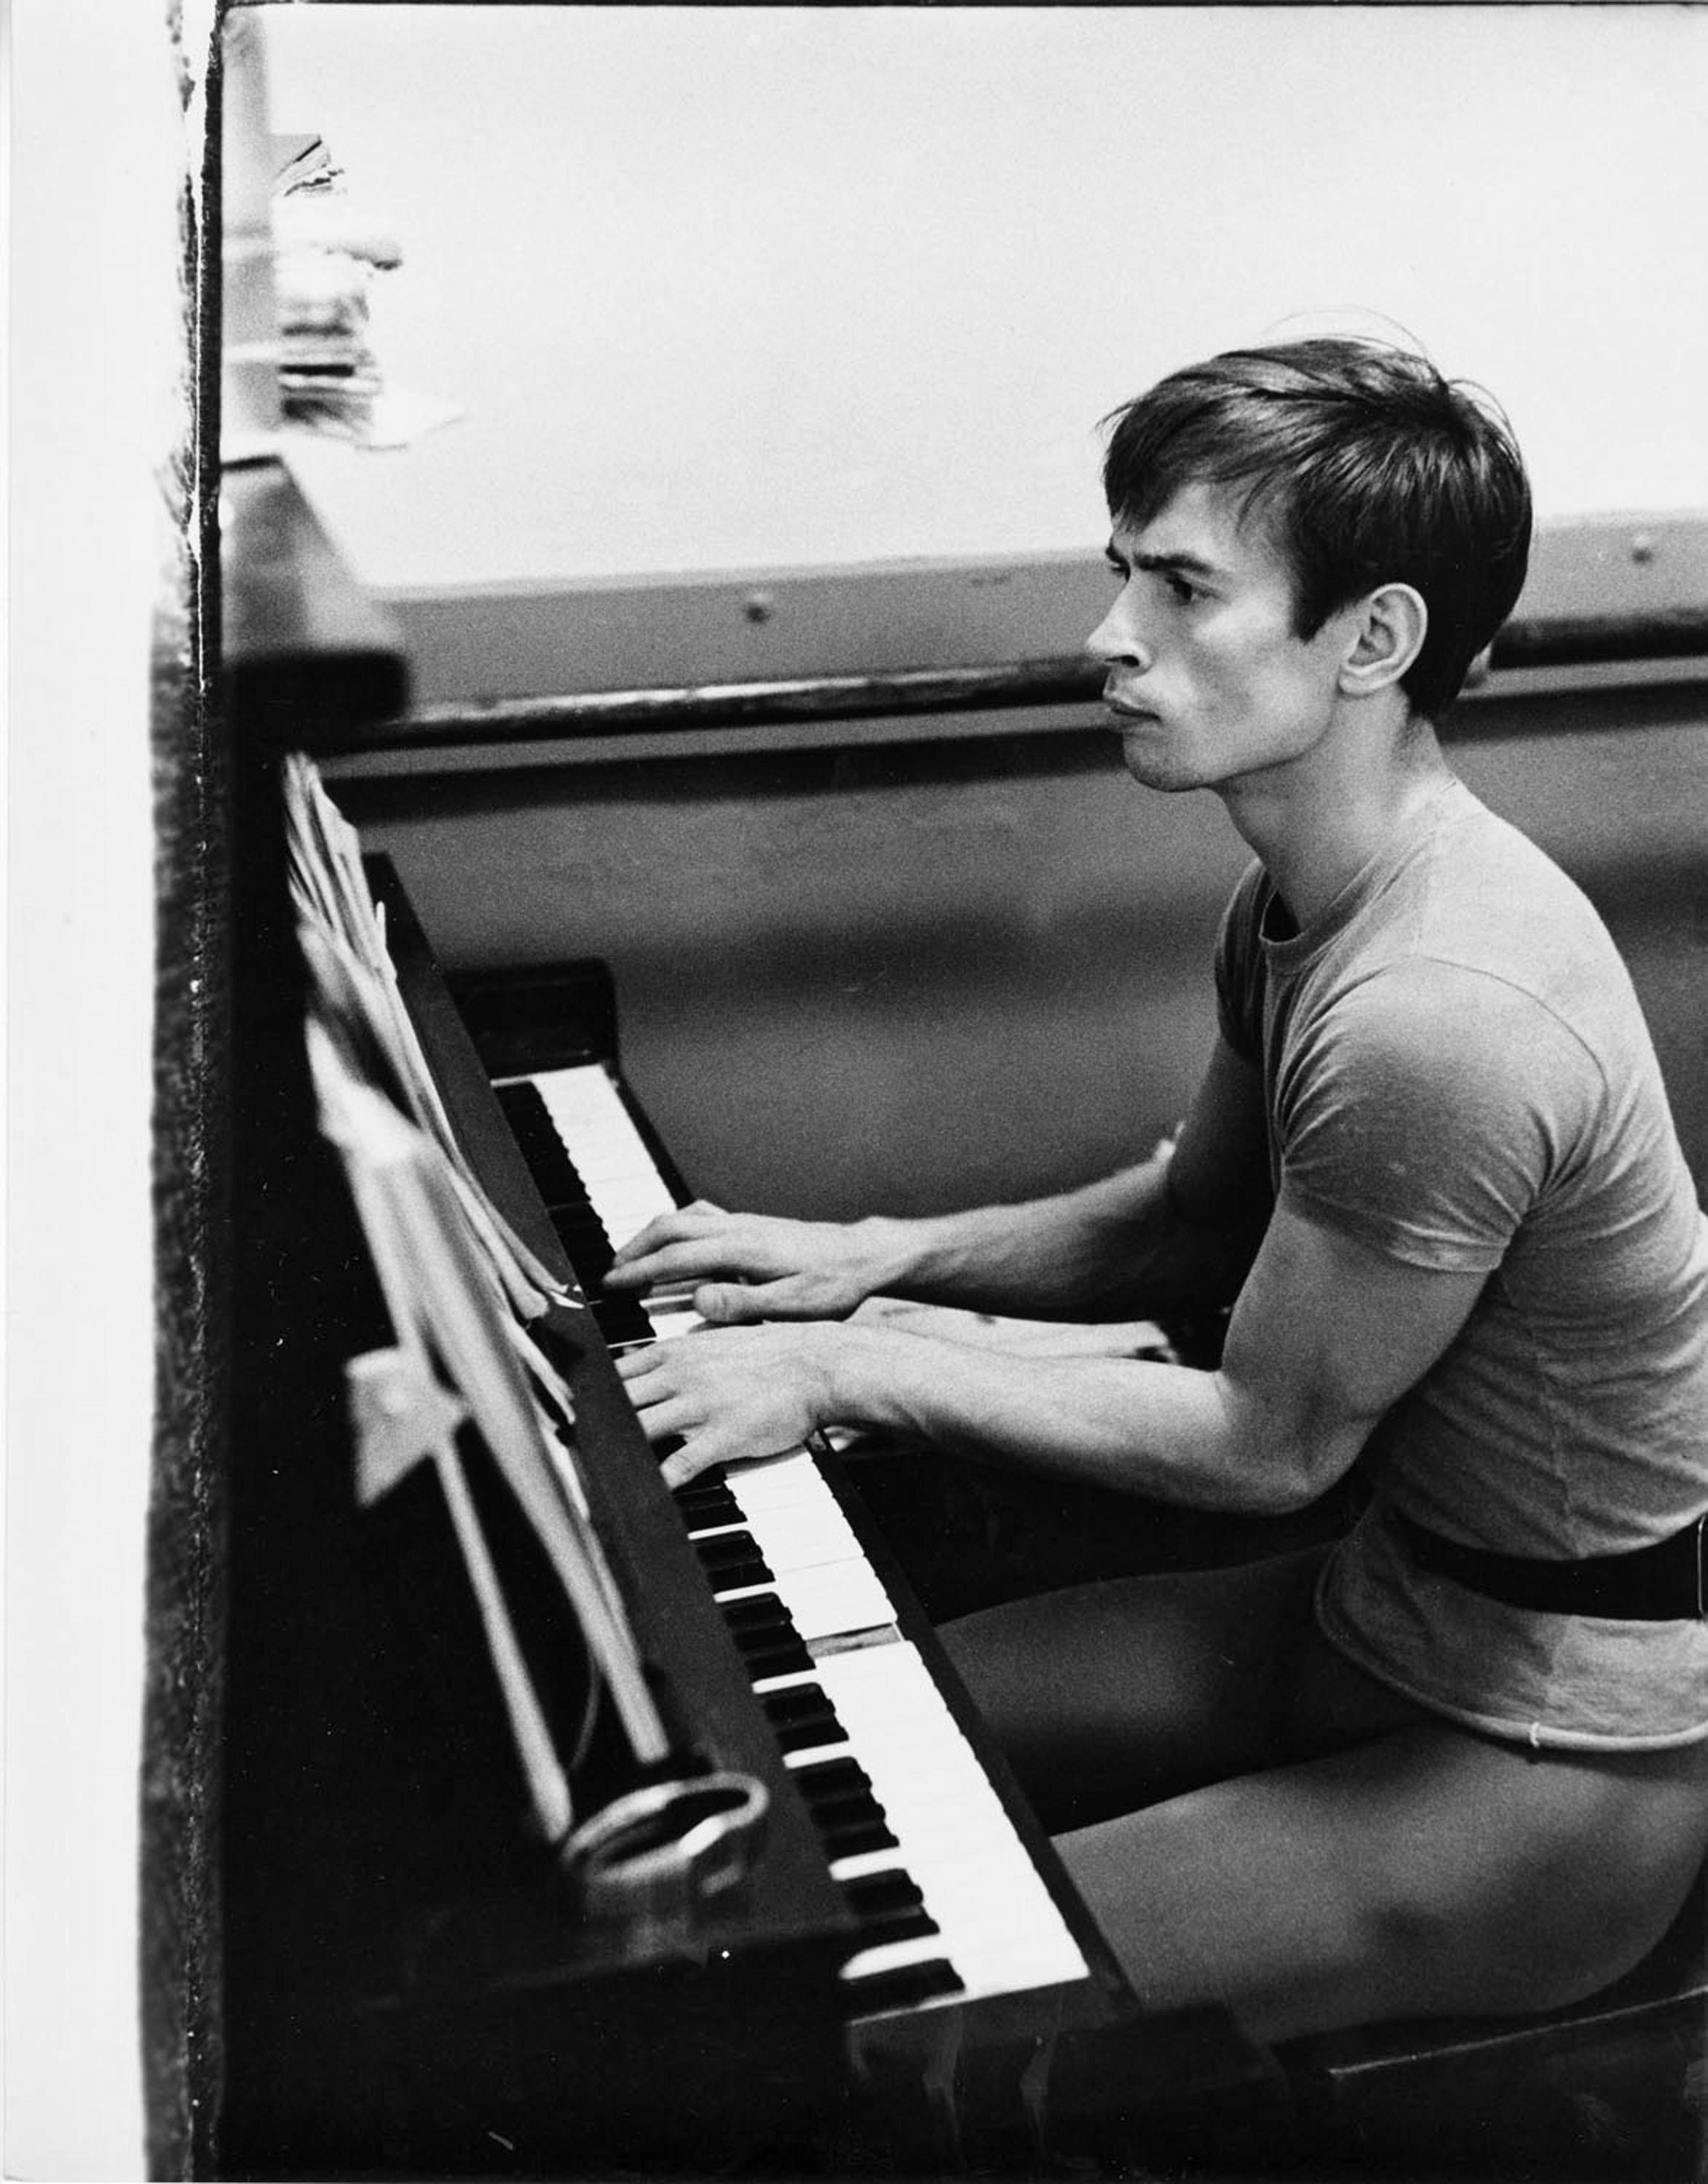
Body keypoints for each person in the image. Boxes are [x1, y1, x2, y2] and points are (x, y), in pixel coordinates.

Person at [606, 338, 1708, 2046]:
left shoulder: (1440, 1009)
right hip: (1393, 1611)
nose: (1112, 637)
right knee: (791, 1744)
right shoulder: (1311, 896)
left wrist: (853, 1364)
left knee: (879, 2021)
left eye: (1184, 588)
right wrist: (867, 1258)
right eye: (1124, 572)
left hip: (1559, 1755)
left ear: (1373, 639)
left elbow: (1270, 1446)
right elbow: (1194, 1217)